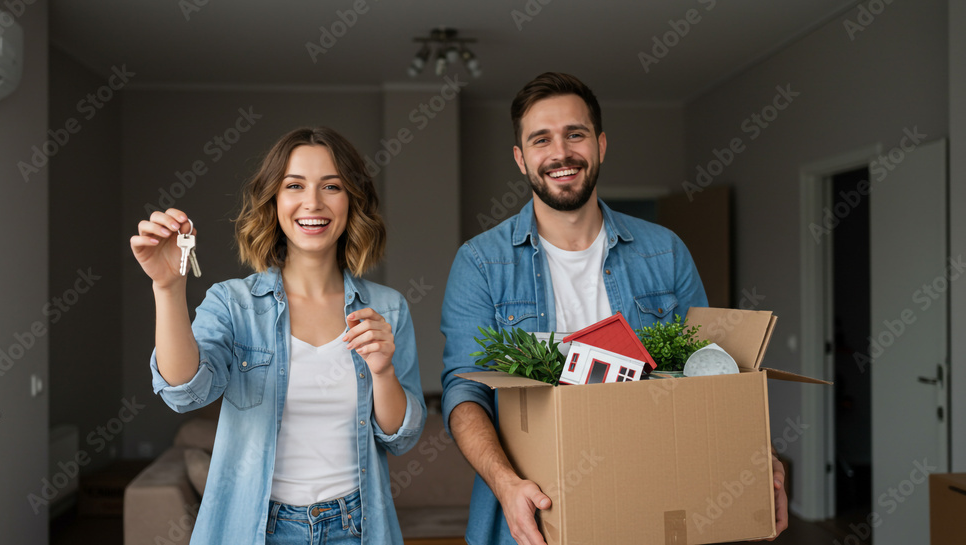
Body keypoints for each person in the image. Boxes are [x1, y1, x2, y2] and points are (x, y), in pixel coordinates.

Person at [440, 72, 788, 544]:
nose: (560, 153)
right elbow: (465, 394)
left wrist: (756, 457)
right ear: (521, 159)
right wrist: (505, 484)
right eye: (541, 140)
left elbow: (713, 373)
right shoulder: (481, 262)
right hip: (534, 516)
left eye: (575, 134)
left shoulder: (664, 250)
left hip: (653, 499)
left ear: (601, 144)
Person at [130, 126, 426, 545]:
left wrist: (382, 372)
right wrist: (167, 288)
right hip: (256, 529)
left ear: (353, 201)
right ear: (273, 200)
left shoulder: (389, 308)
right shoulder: (233, 304)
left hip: (357, 528)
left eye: (332, 186)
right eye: (294, 185)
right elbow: (185, 392)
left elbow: (401, 437)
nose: (313, 202)